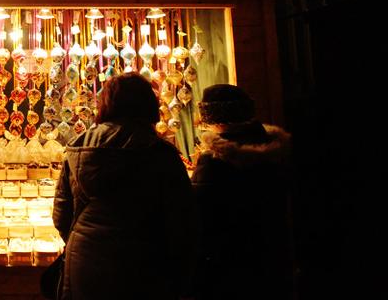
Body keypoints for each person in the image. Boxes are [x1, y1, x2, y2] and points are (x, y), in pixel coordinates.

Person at [52, 73, 196, 299]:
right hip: (144, 263)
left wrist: (83, 242)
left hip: (86, 260)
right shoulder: (160, 152)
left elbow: (61, 215)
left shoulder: (78, 146)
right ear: (149, 105)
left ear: (106, 103)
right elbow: (181, 218)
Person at [191, 84, 293, 300]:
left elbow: (200, 215)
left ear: (213, 120)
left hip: (227, 263)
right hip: (273, 255)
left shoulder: (213, 162)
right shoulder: (278, 152)